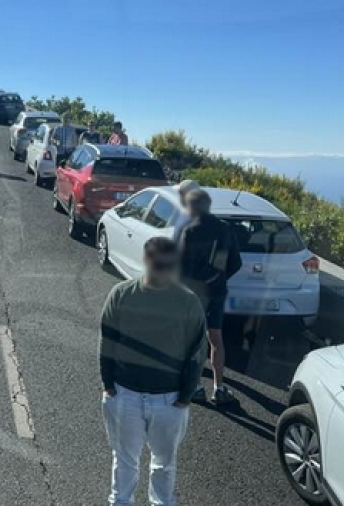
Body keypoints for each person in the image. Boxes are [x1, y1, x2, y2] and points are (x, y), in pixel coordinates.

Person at [99, 237, 207, 506]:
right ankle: (120, 502)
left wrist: (185, 395)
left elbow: (197, 352)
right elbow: (107, 341)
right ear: (146, 260)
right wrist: (108, 384)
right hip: (125, 393)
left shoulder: (188, 302)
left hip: (169, 399)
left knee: (164, 464)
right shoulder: (122, 294)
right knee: (125, 460)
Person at [178, 189, 242, 406]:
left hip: (195, 294)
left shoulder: (191, 231)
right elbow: (236, 263)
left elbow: (184, 270)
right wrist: (220, 278)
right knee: (216, 338)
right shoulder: (225, 230)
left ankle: (196, 387)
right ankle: (219, 387)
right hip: (217, 291)